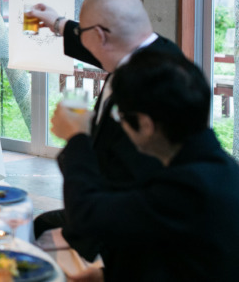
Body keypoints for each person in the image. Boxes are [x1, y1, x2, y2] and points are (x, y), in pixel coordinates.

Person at [51, 50, 239, 281]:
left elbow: (87, 216)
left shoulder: (191, 187)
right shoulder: (218, 166)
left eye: (120, 116)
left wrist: (77, 137)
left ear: (146, 124)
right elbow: (180, 258)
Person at [28, 0, 184, 257]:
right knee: (40, 224)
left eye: (83, 33)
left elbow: (129, 178)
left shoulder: (149, 86)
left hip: (129, 218)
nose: (81, 39)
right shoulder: (148, 51)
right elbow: (100, 47)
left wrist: (77, 136)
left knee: (39, 233)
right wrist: (58, 23)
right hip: (122, 202)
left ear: (100, 35)